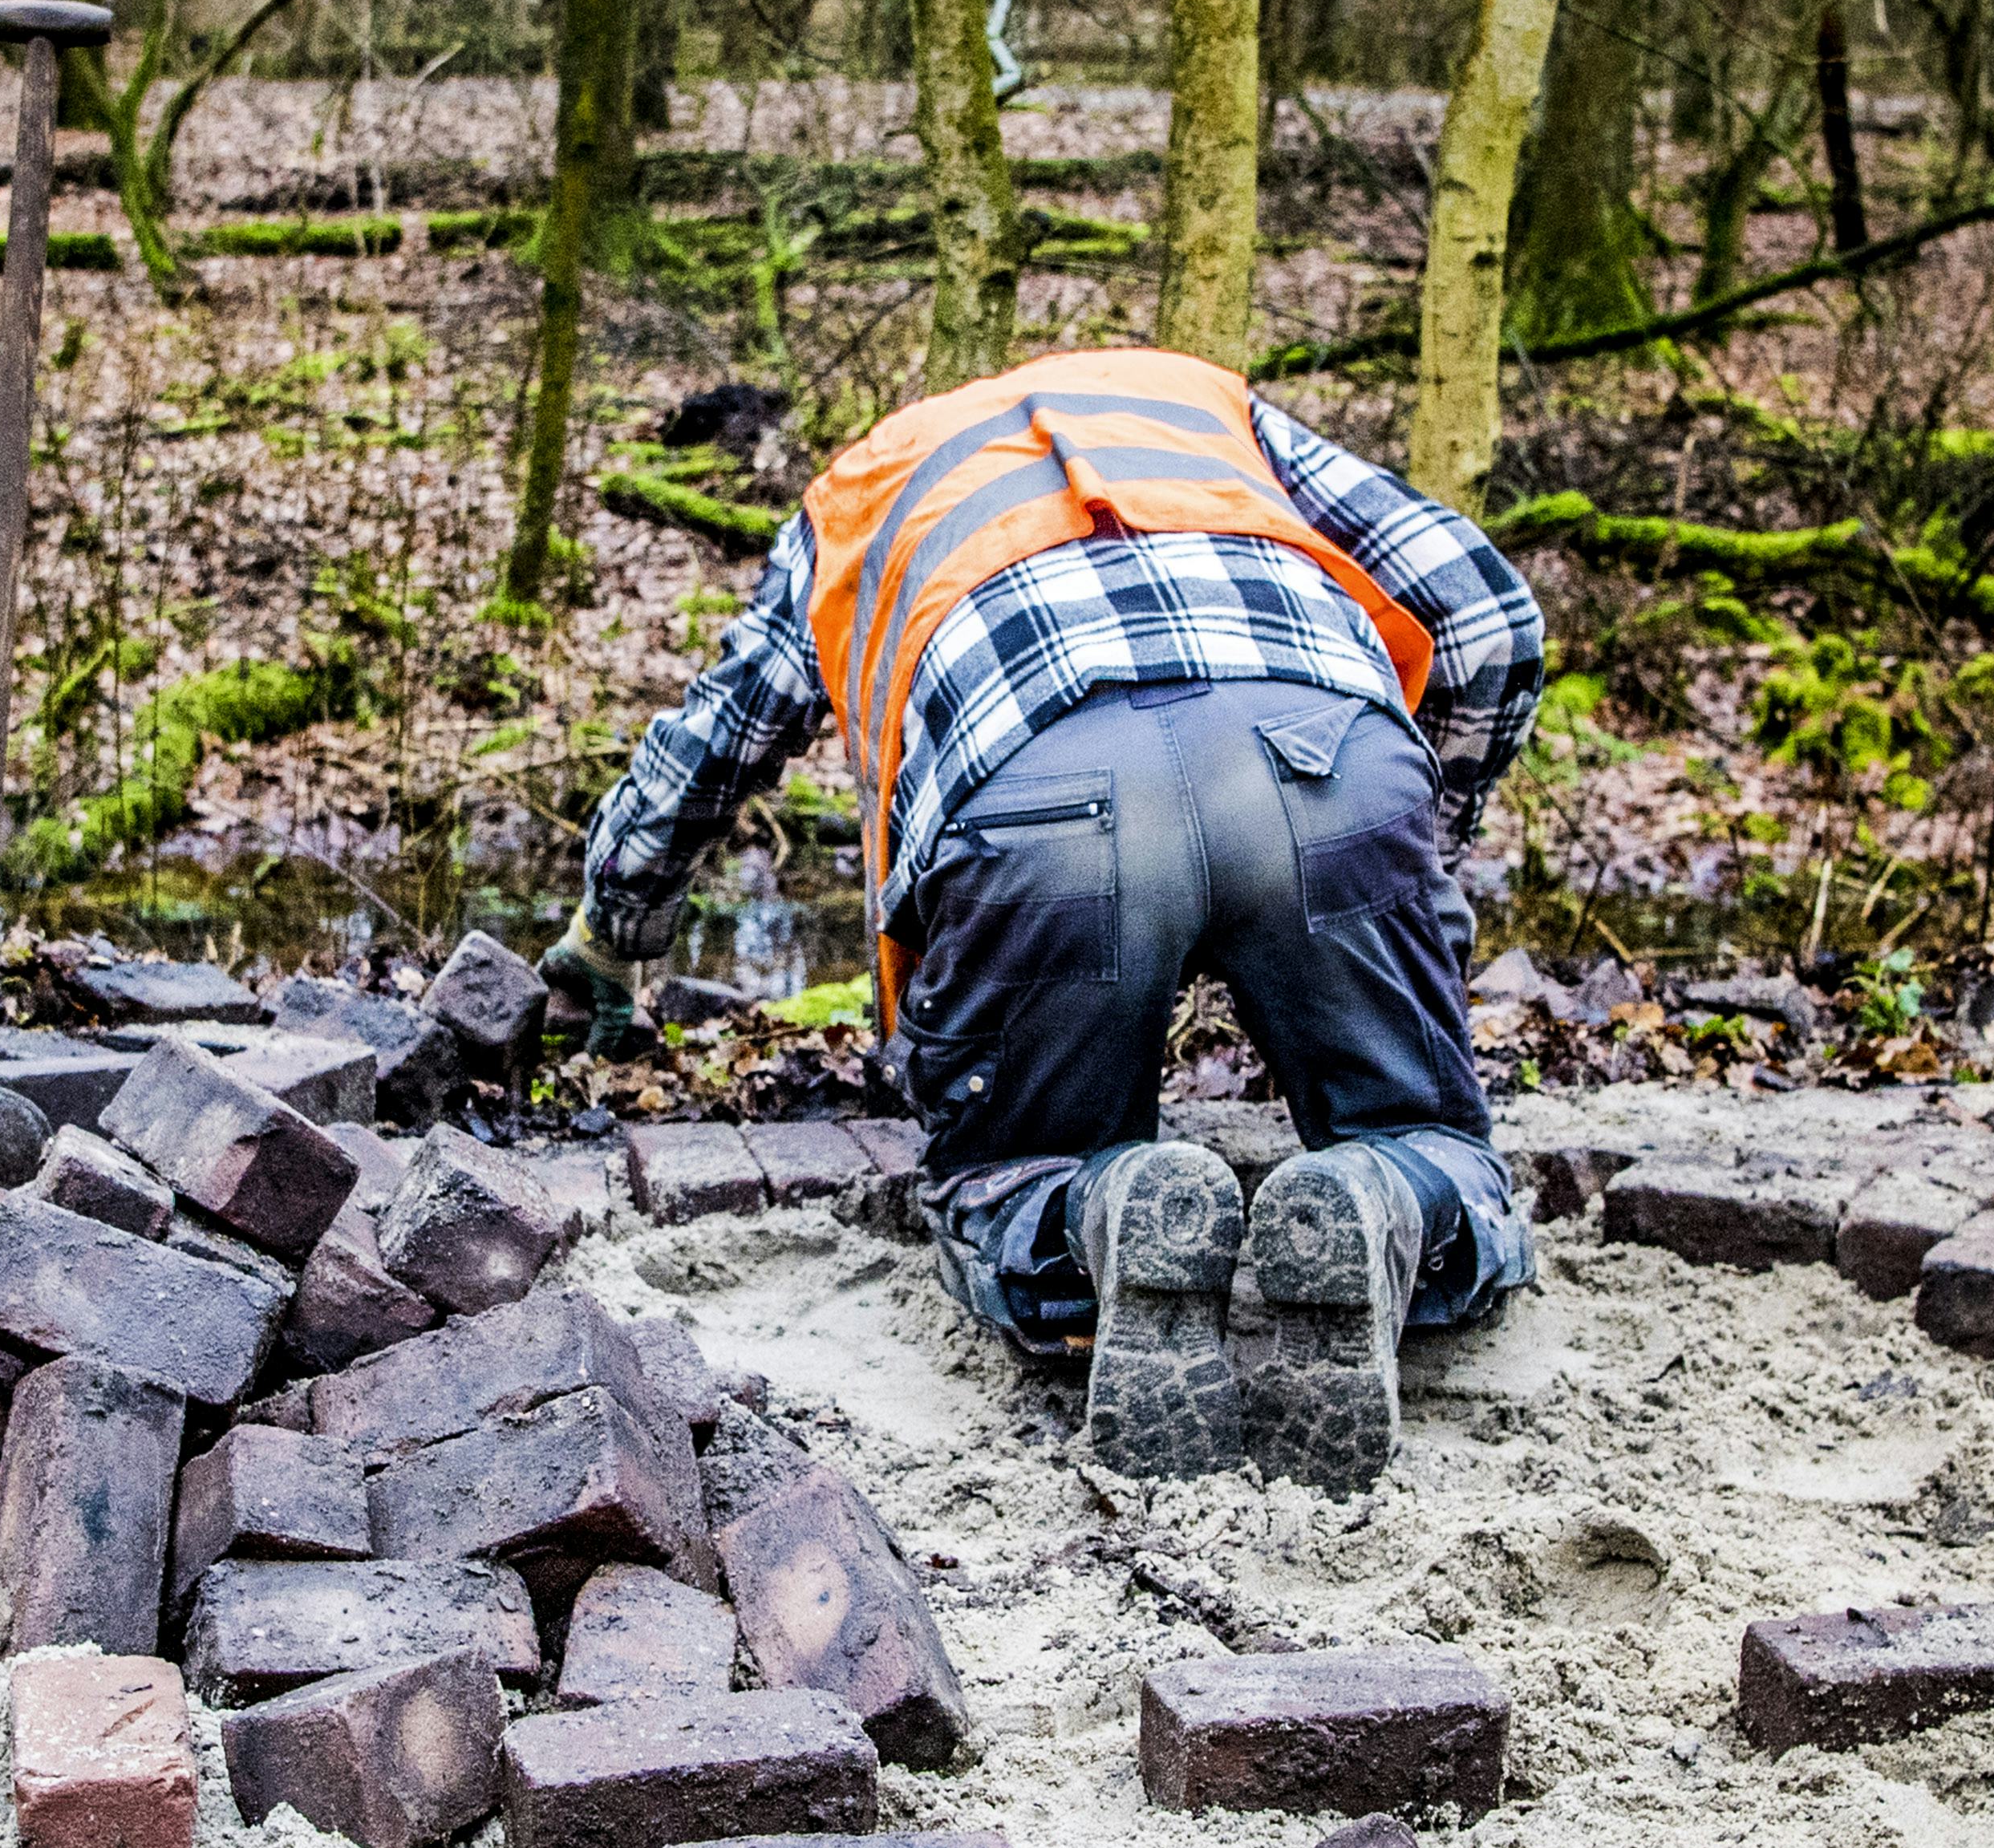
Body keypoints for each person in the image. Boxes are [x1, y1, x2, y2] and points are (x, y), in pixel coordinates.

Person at [557, 345, 1551, 1493]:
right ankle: (1386, 1197)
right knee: (1422, 1133)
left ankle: (1102, 1206)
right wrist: (1421, 847)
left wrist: (611, 932)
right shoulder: (1194, 402)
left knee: (1013, 1172)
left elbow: (714, 746)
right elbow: (1488, 619)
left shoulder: (863, 489)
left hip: (1038, 784)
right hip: (1323, 748)